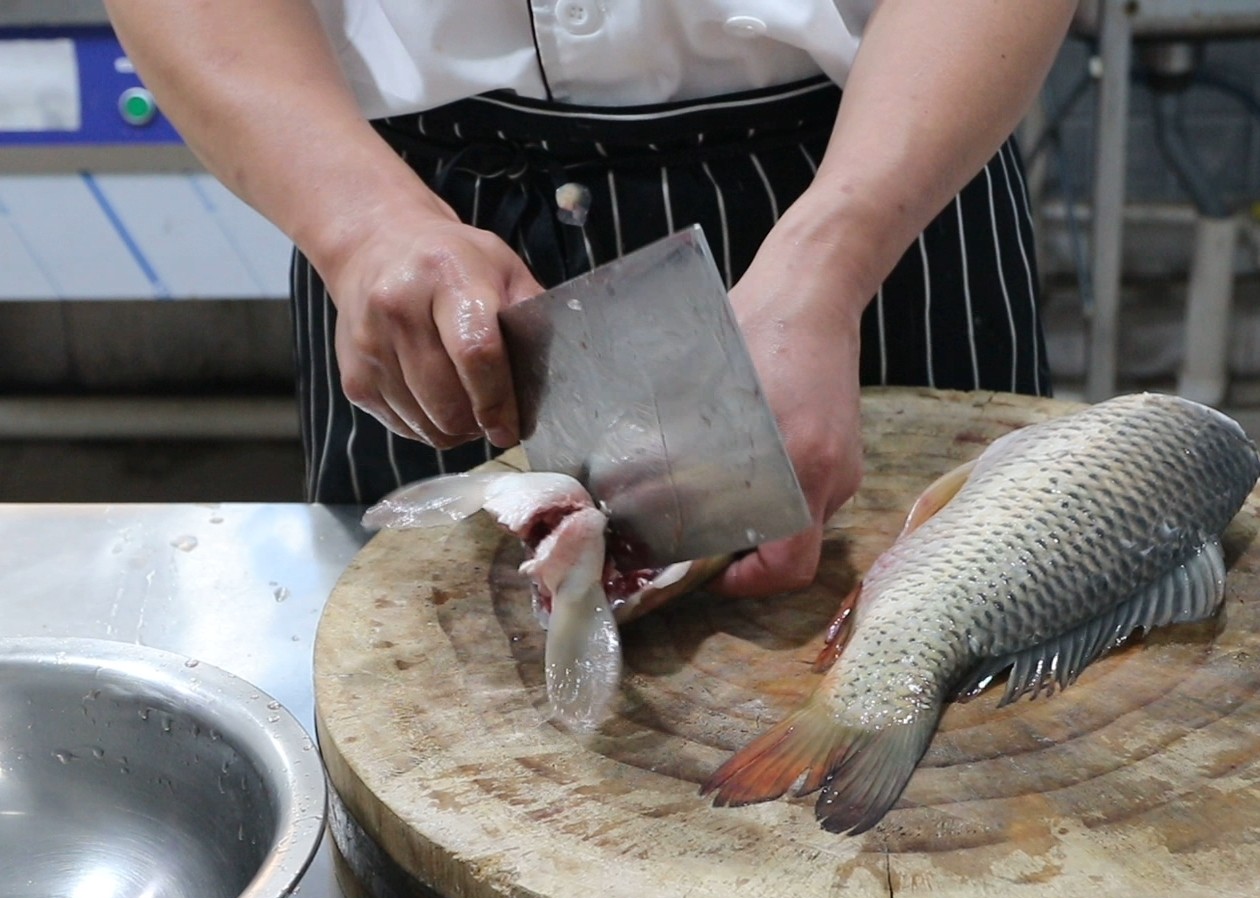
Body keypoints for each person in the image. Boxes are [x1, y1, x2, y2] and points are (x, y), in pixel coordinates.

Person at [103, 0, 1076, 598]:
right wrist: (361, 226)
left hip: (879, 176)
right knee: (440, 763)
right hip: (420, 232)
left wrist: (838, 251)